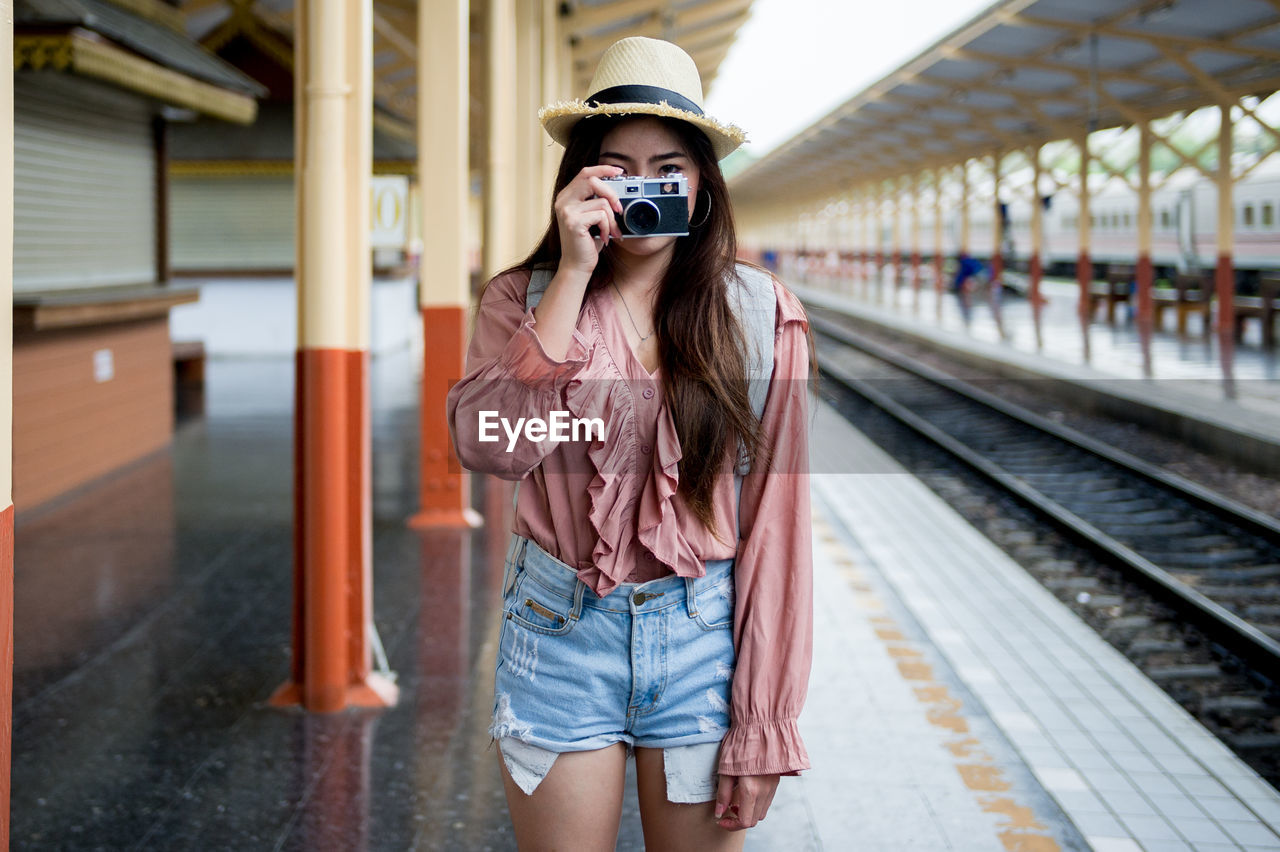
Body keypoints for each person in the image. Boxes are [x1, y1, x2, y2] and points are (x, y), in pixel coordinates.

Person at [446, 36, 813, 850]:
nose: (643, 189)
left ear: (702, 188)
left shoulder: (762, 315)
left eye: (667, 169)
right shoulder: (522, 298)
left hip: (701, 641)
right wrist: (573, 274)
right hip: (558, 629)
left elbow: (778, 528)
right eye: (617, 169)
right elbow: (489, 447)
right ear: (579, 180)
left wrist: (765, 720)